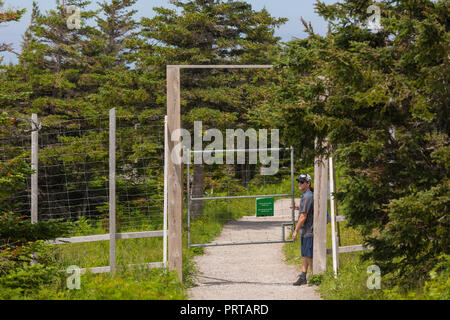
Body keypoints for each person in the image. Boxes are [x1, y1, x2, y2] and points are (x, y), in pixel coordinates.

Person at [291, 173, 314, 286]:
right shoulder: (305, 195)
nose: (299, 184)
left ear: (308, 183)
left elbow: (303, 216)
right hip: (305, 231)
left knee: (308, 255)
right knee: (305, 254)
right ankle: (303, 276)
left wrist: (295, 230)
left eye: (302, 182)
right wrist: (297, 208)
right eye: (299, 182)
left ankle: (316, 276)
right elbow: (305, 210)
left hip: (309, 230)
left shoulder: (308, 196)